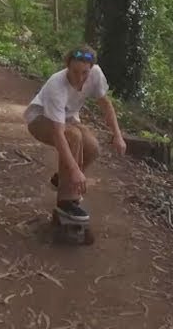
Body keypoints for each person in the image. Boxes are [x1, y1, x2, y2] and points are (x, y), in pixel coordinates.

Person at [24, 45, 126, 224]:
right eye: (75, 71)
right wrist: (75, 170)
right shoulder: (57, 84)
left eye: (84, 73)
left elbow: (105, 104)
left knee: (93, 147)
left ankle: (61, 180)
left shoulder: (96, 74)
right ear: (67, 67)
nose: (79, 78)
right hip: (39, 119)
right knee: (73, 136)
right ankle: (67, 201)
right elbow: (58, 134)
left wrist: (117, 135)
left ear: (91, 69)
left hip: (69, 118)